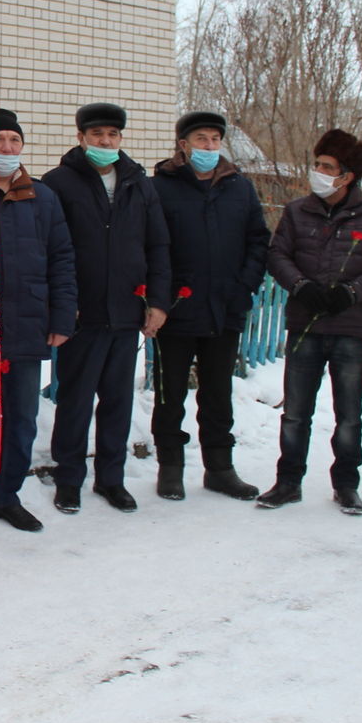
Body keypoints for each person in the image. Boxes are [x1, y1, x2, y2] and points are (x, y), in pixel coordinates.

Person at [257, 130, 362, 515]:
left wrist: (353, 292)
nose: (317, 172)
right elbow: (278, 255)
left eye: (327, 167)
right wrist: (300, 286)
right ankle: (288, 482)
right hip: (305, 325)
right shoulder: (296, 211)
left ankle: (347, 484)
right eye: (317, 164)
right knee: (295, 413)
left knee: (349, 416)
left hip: (351, 329)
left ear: (347, 176)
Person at [0, 109, 76, 533]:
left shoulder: (41, 197)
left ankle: (6, 496)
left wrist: (61, 317)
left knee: (20, 419)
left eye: (13, 140)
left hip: (26, 324)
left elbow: (61, 259)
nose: (6, 148)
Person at [42, 103, 170, 514]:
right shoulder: (59, 183)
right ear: (81, 138)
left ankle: (111, 480)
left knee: (118, 401)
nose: (105, 141)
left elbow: (158, 245)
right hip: (82, 313)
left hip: (127, 311)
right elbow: (50, 250)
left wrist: (158, 302)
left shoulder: (138, 183)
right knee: (75, 401)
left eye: (112, 135)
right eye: (97, 135)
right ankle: (68, 479)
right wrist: (63, 306)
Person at [149, 111, 271, 502]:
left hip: (225, 308)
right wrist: (160, 299)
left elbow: (258, 241)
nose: (209, 146)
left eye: (215, 140)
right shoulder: (161, 188)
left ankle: (220, 469)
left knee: (218, 394)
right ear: (183, 144)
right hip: (177, 310)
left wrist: (243, 287)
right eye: (200, 139)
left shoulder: (240, 187)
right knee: (170, 395)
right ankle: (170, 468)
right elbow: (153, 246)